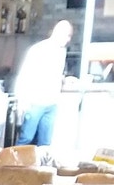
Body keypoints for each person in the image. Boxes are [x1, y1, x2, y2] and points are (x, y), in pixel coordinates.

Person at [14, 20, 74, 152]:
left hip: (52, 102)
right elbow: (25, 75)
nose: (68, 40)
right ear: (58, 33)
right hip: (36, 101)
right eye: (68, 35)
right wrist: (22, 101)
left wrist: (63, 80)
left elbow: (55, 74)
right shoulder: (39, 50)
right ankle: (15, 166)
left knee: (45, 144)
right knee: (26, 139)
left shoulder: (61, 51)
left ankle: (41, 171)